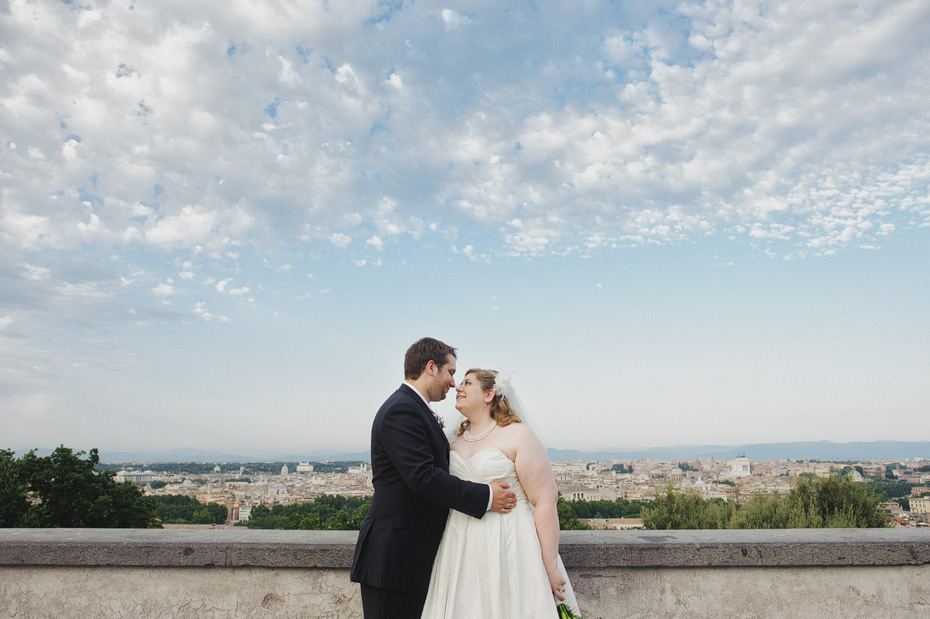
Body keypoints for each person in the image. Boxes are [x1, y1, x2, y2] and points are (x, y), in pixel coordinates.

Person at [350, 338, 518, 619]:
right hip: (394, 560)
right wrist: (486, 496)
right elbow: (424, 478)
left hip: (408, 558)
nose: (453, 383)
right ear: (431, 367)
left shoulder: (412, 408)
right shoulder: (401, 410)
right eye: (451, 372)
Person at [420, 368, 581, 618]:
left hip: (508, 542)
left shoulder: (518, 435)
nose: (457, 387)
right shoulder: (454, 440)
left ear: (489, 394)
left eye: (467, 383)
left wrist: (548, 564)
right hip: (459, 544)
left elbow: (545, 500)